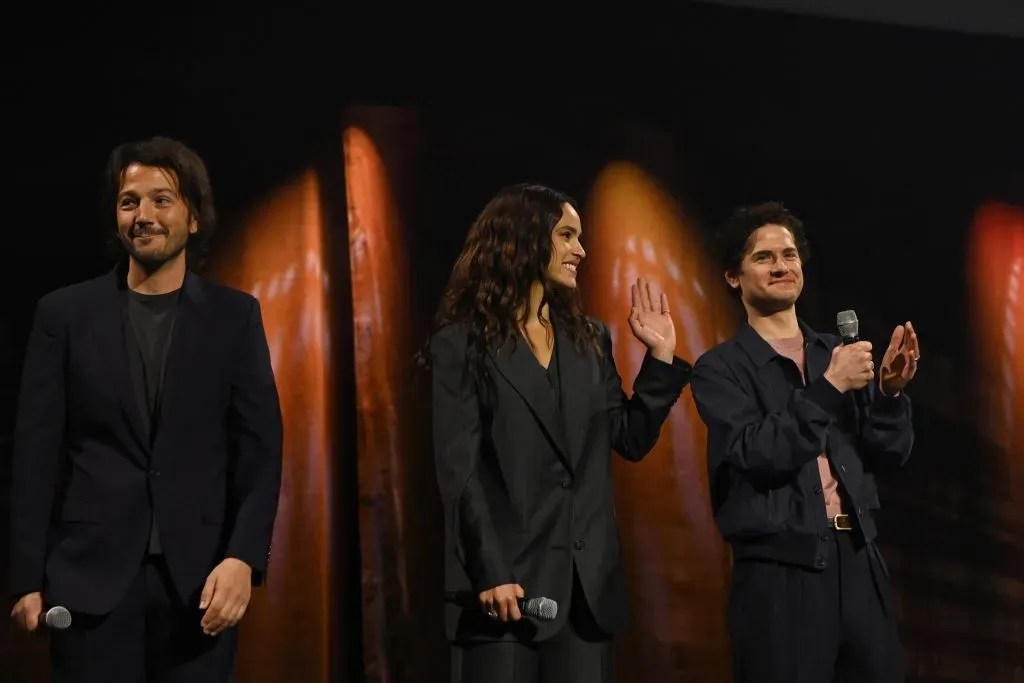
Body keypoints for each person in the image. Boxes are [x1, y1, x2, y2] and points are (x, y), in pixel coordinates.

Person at [9, 136, 284, 683]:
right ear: (116, 218)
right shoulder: (64, 315)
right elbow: (35, 454)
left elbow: (261, 450)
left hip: (198, 585)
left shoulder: (235, 317)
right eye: (129, 201)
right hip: (89, 581)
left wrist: (242, 558)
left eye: (162, 199)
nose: (144, 215)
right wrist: (23, 578)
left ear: (194, 218)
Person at [426, 183, 692, 683]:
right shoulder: (461, 343)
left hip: (585, 595)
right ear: (523, 239)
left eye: (580, 237)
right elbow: (459, 471)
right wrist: (490, 571)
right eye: (567, 235)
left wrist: (659, 359)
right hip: (504, 593)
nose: (581, 250)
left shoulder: (589, 338)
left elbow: (629, 439)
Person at [690, 202, 920, 683]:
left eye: (790, 255)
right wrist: (829, 388)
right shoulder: (721, 368)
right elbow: (758, 452)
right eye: (765, 257)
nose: (782, 266)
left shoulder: (833, 353)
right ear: (734, 276)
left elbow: (887, 454)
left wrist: (890, 396)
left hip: (858, 557)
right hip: (781, 570)